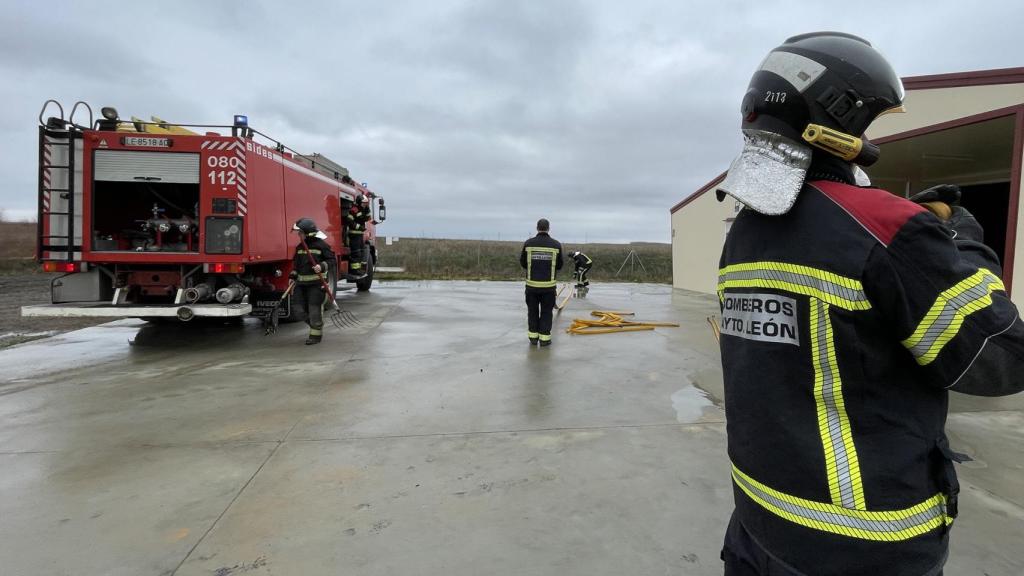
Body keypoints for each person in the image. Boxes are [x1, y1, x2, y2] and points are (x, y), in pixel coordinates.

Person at [714, 32, 1024, 576]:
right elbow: (998, 359)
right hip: (862, 543)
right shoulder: (889, 226)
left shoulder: (743, 234)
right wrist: (963, 242)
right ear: (837, 122)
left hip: (756, 522)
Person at [288, 218, 335, 345]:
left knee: (314, 310)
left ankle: (315, 336)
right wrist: (293, 275)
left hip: (316, 285)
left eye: (300, 232)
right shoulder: (300, 247)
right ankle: (316, 323)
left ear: (308, 233)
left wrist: (322, 266)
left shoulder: (322, 245)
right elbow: (296, 265)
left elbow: (332, 260)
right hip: (301, 285)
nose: (298, 235)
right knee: (298, 310)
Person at [520, 218, 563, 346]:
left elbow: (523, 263)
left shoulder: (529, 243)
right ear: (548, 228)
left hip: (531, 286)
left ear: (537, 228)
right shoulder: (556, 245)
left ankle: (533, 338)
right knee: (546, 312)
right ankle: (544, 340)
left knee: (532, 312)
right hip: (548, 287)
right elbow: (559, 265)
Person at [345, 194, 372, 279]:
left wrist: (367, 209)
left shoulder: (363, 209)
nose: (365, 205)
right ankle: (354, 271)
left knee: (360, 253)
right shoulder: (354, 210)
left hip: (360, 234)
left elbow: (367, 218)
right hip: (354, 234)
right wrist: (359, 227)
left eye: (366, 203)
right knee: (356, 252)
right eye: (363, 203)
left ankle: (359, 270)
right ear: (359, 202)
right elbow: (349, 221)